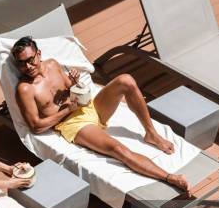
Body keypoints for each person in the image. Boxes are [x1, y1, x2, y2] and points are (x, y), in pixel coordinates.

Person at [12, 36, 190, 192]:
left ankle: (151, 133)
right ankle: (169, 177)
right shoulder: (25, 89)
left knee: (125, 80)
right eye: (21, 63)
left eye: (31, 59)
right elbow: (36, 126)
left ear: (39, 54)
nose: (28, 66)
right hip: (74, 124)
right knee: (118, 149)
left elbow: (71, 90)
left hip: (87, 107)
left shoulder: (53, 64)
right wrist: (67, 110)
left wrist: (74, 82)